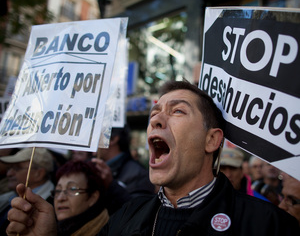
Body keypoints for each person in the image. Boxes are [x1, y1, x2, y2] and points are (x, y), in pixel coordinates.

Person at [5, 80, 300, 236]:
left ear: (212, 140)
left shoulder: (268, 225)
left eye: (178, 111)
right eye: (155, 113)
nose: (156, 120)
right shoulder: (125, 218)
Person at [0, 147, 54, 234]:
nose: (9, 173)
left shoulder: (53, 204)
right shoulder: (8, 197)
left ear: (39, 174)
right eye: (9, 168)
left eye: (17, 168)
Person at [95, 125, 155, 197]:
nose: (93, 140)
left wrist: (111, 185)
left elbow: (136, 206)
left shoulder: (137, 174)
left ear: (113, 139)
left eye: (98, 135)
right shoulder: (95, 167)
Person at [53, 160, 109, 236]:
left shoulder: (109, 231)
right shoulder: (49, 230)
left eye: (72, 189)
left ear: (93, 197)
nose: (60, 198)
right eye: (58, 190)